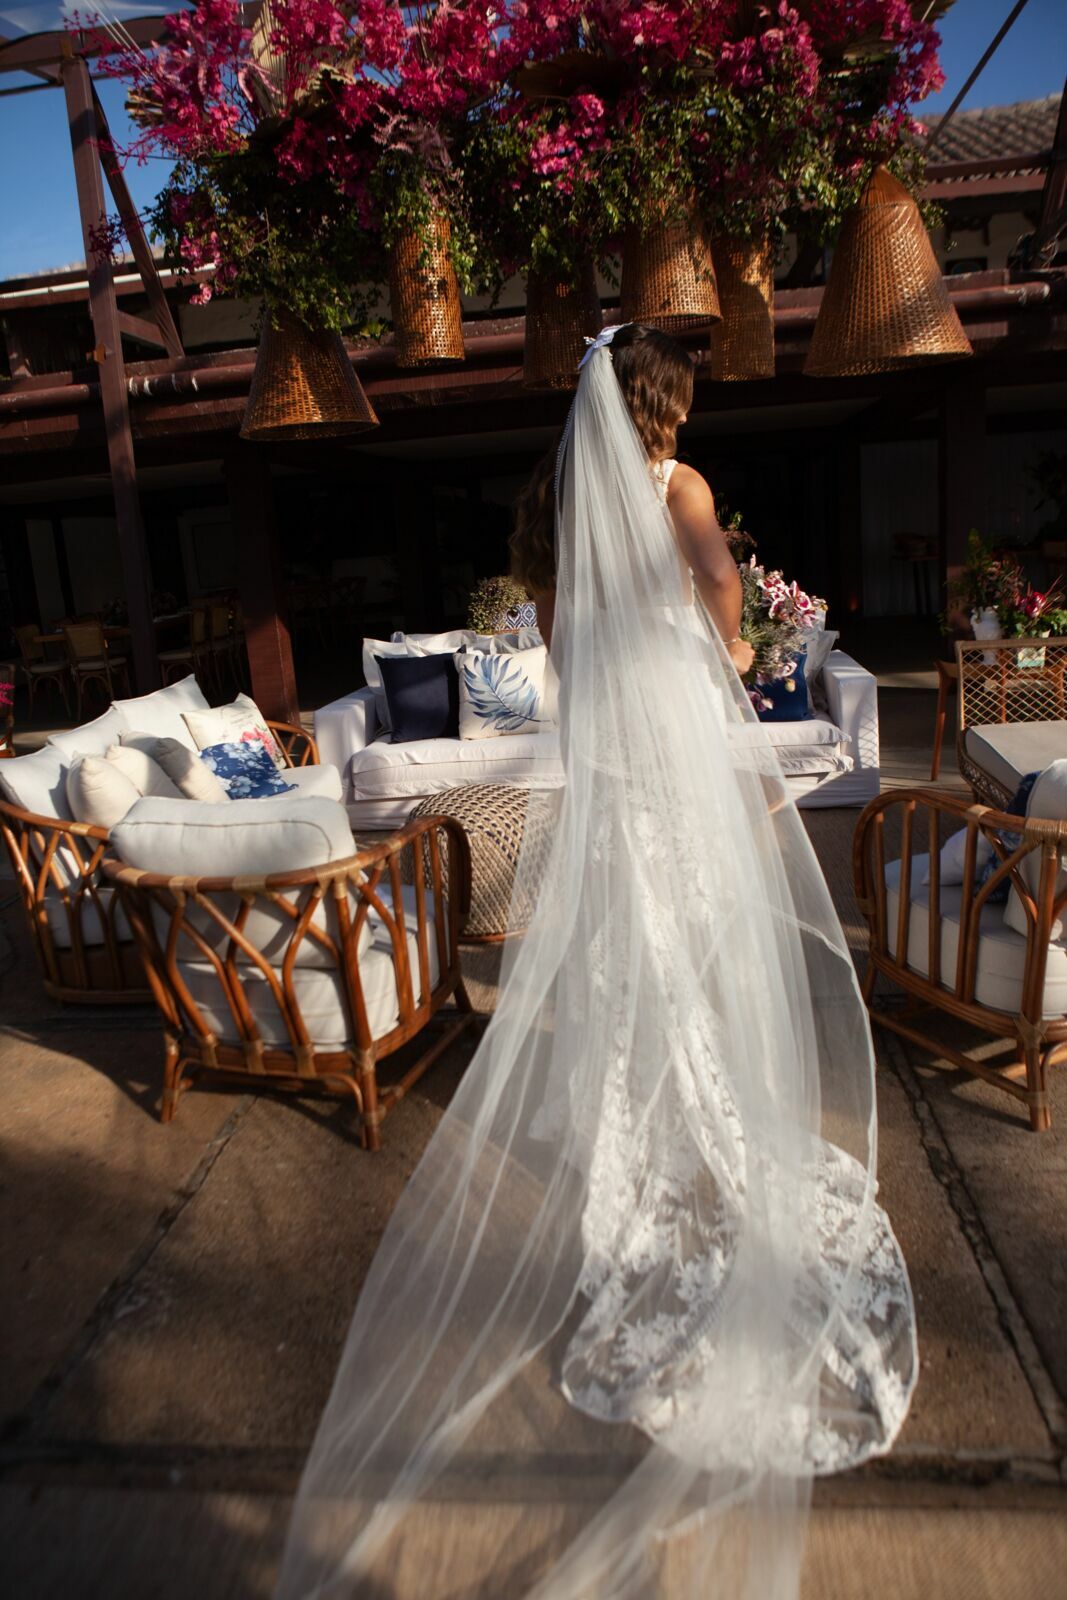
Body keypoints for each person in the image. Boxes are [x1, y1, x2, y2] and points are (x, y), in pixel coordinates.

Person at [276, 324, 916, 1600]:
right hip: (670, 726)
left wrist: (620, 687)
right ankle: (702, 1115)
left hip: (612, 746)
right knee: (701, 927)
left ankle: (649, 1113)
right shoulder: (673, 484)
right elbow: (719, 587)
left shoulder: (564, 499)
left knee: (634, 934)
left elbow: (561, 646)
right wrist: (725, 654)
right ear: (659, 403)